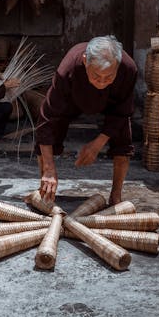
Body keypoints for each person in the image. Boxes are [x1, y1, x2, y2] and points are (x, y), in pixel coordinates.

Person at [35, 35, 137, 205]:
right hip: (73, 100)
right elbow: (47, 117)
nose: (102, 82)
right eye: (97, 76)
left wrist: (97, 145)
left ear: (117, 66)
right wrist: (49, 167)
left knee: (123, 139)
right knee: (49, 134)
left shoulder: (128, 69)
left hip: (112, 103)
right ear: (85, 61)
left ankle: (115, 196)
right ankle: (46, 189)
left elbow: (122, 112)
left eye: (109, 77)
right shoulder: (68, 69)